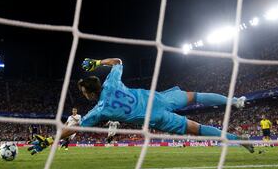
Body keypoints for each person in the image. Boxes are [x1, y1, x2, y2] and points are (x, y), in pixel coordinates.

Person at [28, 58, 254, 154]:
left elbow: (73, 129)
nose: (82, 93)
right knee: (195, 96)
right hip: (159, 99)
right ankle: (234, 101)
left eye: (82, 91)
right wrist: (97, 63)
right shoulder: (111, 81)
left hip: (156, 117)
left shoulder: (100, 111)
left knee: (197, 128)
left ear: (89, 92)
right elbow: (118, 61)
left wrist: (49, 140)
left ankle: (237, 140)